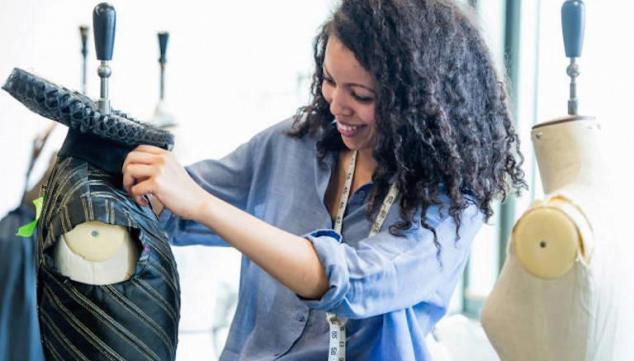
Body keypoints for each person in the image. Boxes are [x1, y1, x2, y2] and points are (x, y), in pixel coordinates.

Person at [122, 0, 526, 359]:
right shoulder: (293, 143)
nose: (336, 105)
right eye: (330, 81)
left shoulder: (447, 206)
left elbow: (351, 282)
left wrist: (204, 204)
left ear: (418, 103)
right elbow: (172, 209)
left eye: (361, 95)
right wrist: (137, 179)